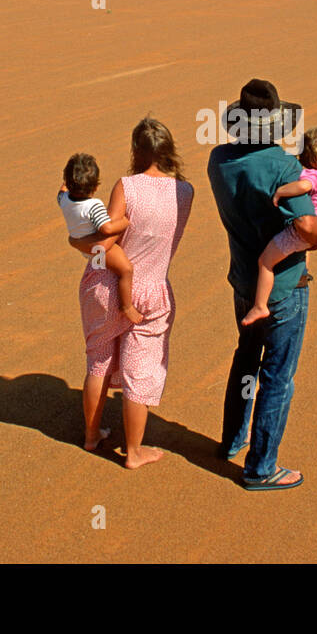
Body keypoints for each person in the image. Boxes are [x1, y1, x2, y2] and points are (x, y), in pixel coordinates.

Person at [207, 79, 317, 490]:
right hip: (286, 287)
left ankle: (231, 441)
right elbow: (309, 226)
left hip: (243, 280)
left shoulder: (218, 159)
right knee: (277, 376)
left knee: (246, 358)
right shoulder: (282, 166)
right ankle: (261, 469)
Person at [69, 118, 193, 469]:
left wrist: (76, 241)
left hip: (105, 286)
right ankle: (135, 451)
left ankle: (92, 438)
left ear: (135, 151)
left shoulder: (126, 186)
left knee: (98, 362)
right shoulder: (185, 192)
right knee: (141, 369)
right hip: (153, 290)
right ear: (170, 151)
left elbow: (103, 245)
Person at [240, 127, 317, 327]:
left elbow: (303, 186)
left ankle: (260, 305)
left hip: (302, 231)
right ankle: (304, 270)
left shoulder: (312, 175)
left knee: (265, 261)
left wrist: (280, 192)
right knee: (303, 249)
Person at [58, 152, 143, 324]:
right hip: (101, 249)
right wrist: (126, 221)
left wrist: (67, 180)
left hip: (83, 245)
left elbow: (62, 189)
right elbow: (106, 228)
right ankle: (126, 306)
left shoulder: (63, 199)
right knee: (126, 270)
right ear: (95, 187)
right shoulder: (93, 205)